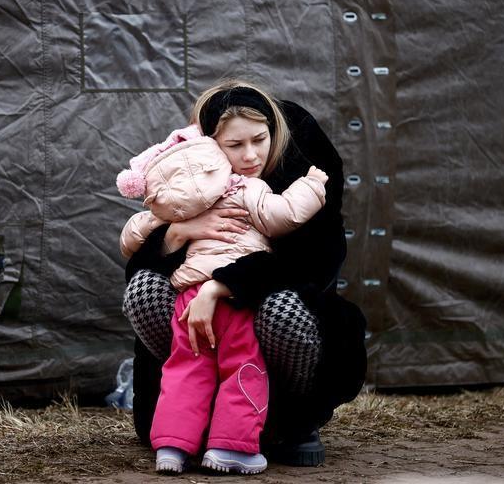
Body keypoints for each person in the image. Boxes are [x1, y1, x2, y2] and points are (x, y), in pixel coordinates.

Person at [121, 79, 368, 467]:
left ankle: (288, 423)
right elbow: (135, 251)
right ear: (210, 146)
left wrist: (222, 286)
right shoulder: (197, 180)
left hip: (265, 302)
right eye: (235, 146)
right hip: (196, 314)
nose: (250, 155)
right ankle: (185, 423)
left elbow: (315, 260)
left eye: (259, 140)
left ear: (274, 133)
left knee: (282, 312)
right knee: (144, 290)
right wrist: (177, 234)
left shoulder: (295, 172)